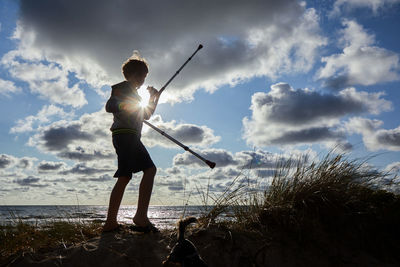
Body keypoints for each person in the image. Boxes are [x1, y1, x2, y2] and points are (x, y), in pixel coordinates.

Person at [103, 53, 160, 233]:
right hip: (126, 135)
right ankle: (140, 217)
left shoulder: (134, 94)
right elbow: (110, 106)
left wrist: (152, 99)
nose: (142, 80)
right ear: (131, 75)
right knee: (150, 170)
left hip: (128, 136)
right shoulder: (122, 87)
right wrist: (128, 107)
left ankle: (111, 222)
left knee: (125, 176)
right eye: (140, 76)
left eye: (144, 77)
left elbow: (146, 115)